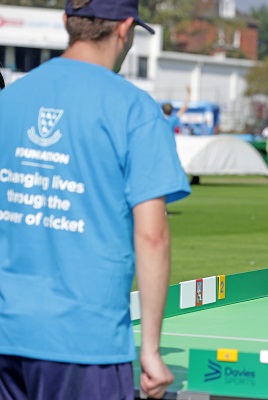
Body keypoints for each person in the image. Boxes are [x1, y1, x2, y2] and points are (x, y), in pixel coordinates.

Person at [0, 1, 191, 399]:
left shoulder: (11, 99)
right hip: (85, 341)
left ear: (67, 21)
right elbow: (152, 236)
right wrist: (151, 351)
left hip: (8, 332)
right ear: (125, 29)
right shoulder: (134, 109)